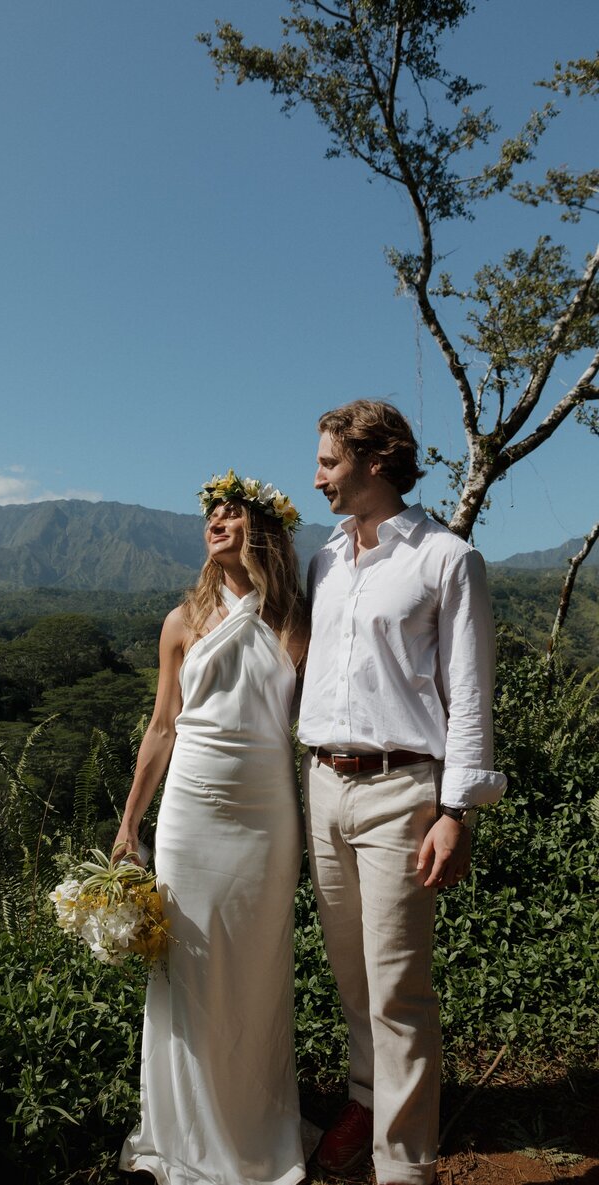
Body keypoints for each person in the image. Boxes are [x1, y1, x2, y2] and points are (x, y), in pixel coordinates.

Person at [298, 401, 507, 1185]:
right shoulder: (325, 558)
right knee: (352, 976)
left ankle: (405, 1168)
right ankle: (364, 1100)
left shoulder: (447, 559)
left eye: (328, 461)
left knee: (398, 990)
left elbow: (470, 692)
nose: (316, 476)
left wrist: (455, 811)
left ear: (376, 460)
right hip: (321, 783)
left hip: (400, 793)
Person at [115, 469, 310, 1185]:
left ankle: (252, 1121)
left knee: (257, 966)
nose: (216, 522)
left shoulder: (294, 618)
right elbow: (162, 726)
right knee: (187, 967)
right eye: (212, 514)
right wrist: (130, 820)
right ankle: (185, 1127)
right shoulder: (181, 620)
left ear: (261, 529)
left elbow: (311, 728)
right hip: (191, 816)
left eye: (231, 513)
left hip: (267, 817)